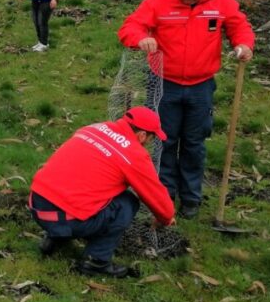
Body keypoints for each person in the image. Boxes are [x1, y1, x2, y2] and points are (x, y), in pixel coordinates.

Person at [118, 0, 255, 218]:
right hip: (164, 84)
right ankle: (165, 191)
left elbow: (239, 26)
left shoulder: (221, 1)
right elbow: (130, 27)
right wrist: (141, 38)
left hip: (201, 85)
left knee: (194, 142)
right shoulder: (158, 1)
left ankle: (191, 196)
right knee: (164, 140)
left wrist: (244, 45)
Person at [29, 107, 176, 278]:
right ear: (142, 135)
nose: (149, 143)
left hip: (37, 205)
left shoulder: (93, 128)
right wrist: (165, 217)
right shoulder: (134, 154)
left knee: (85, 188)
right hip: (65, 217)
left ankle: (54, 238)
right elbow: (157, 197)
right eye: (151, 138)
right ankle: (96, 261)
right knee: (127, 203)